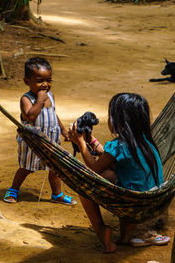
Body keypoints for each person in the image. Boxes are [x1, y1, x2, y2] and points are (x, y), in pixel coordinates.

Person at [69, 92, 164, 253]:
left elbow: (93, 169)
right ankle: (125, 237)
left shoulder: (119, 146)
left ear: (120, 122)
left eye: (110, 116)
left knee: (84, 185)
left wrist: (81, 144)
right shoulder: (143, 141)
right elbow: (108, 157)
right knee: (115, 173)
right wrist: (91, 140)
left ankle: (101, 229)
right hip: (151, 200)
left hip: (130, 202)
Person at [3, 57, 77, 206]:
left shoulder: (51, 96)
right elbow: (29, 116)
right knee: (26, 167)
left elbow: (53, 114)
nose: (45, 85)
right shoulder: (26, 99)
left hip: (51, 139)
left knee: (55, 169)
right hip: (33, 142)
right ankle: (13, 190)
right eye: (39, 81)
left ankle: (57, 194)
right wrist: (39, 101)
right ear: (27, 81)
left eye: (48, 80)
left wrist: (63, 130)